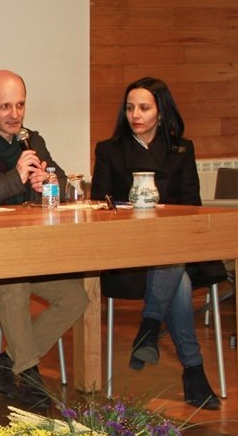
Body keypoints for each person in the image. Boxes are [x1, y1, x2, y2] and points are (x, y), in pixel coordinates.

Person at [0, 69, 89, 409]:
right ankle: (31, 376)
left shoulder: (32, 141)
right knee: (16, 288)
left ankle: (8, 361)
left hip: (29, 252)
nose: (15, 114)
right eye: (5, 106)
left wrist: (48, 184)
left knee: (75, 298)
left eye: (20, 105)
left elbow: (61, 183)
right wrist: (15, 178)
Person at [90, 77, 220, 409]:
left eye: (144, 108)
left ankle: (150, 328)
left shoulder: (182, 149)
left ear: (161, 112)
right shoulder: (109, 150)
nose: (135, 115)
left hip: (176, 249)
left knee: (174, 263)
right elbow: (99, 205)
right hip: (128, 258)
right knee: (179, 281)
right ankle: (190, 367)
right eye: (130, 108)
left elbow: (192, 205)